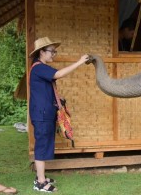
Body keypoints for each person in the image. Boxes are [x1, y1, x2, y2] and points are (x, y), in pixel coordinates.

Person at [29, 37, 89, 192]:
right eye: (51, 52)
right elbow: (59, 74)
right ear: (41, 52)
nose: (53, 55)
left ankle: (41, 176)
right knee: (41, 145)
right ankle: (40, 183)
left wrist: (58, 98)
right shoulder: (38, 67)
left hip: (45, 113)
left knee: (45, 144)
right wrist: (79, 62)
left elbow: (45, 89)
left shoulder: (41, 68)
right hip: (41, 114)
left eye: (54, 52)